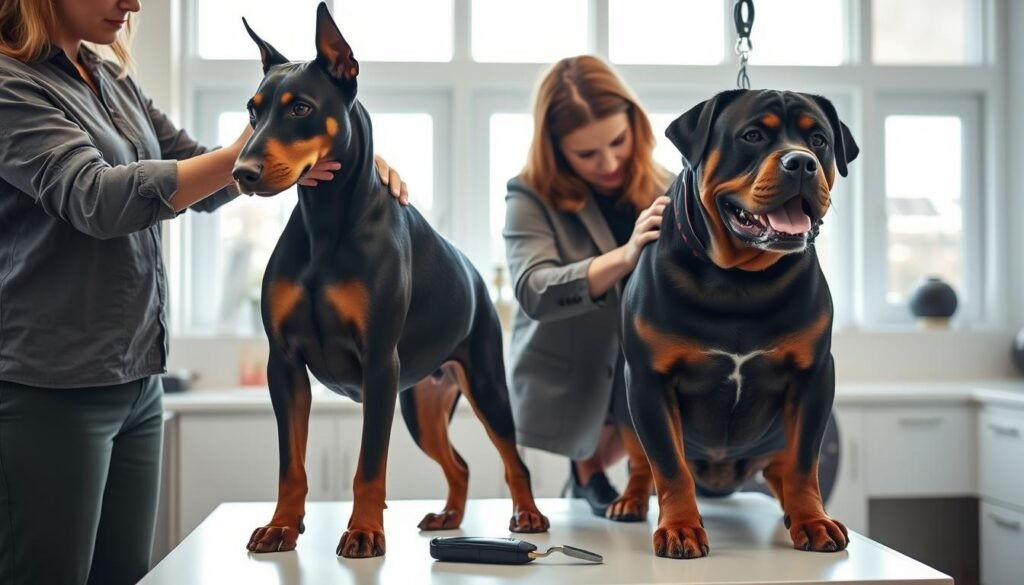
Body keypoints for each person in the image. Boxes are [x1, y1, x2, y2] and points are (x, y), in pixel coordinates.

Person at [0, 1, 407, 583]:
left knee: (124, 575)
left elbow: (204, 176)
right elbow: (94, 198)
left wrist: (343, 151)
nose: (134, 4)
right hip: (51, 388)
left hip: (139, 380)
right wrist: (252, 162)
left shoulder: (110, 79)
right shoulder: (9, 83)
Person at [503, 55, 673, 519]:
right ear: (555, 149)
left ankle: (593, 479)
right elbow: (534, 290)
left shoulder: (672, 189)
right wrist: (626, 253)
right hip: (569, 373)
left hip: (644, 372)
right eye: (587, 153)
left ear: (636, 123)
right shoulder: (528, 194)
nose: (610, 161)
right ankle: (586, 473)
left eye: (618, 141)